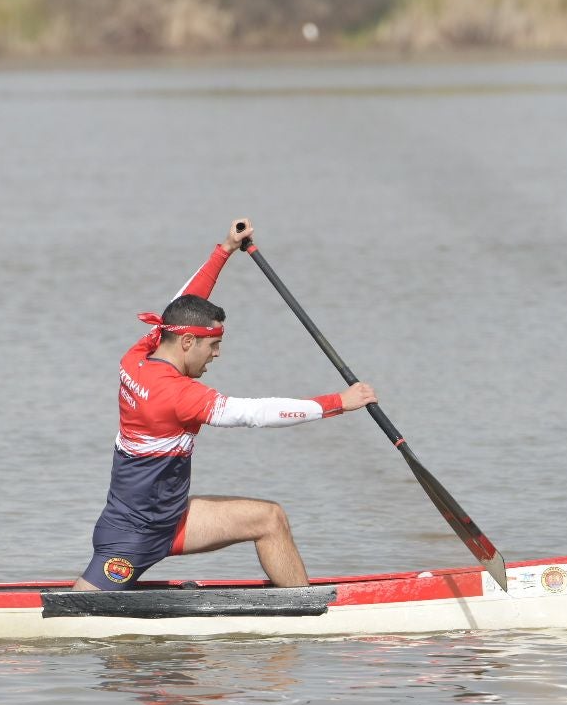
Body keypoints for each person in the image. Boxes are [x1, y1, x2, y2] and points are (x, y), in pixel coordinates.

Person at [74, 218, 376, 592]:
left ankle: (305, 608)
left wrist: (225, 250)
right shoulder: (179, 395)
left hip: (170, 519)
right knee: (77, 612)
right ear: (187, 344)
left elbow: (181, 307)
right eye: (212, 346)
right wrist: (337, 403)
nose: (216, 355)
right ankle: (316, 616)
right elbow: (257, 414)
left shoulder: (139, 354)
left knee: (269, 518)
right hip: (133, 534)